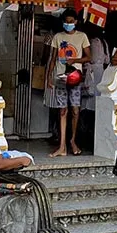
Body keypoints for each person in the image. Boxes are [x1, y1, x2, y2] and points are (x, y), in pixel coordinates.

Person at [48, 9, 90, 157]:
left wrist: (75, 60)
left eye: (71, 22)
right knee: (62, 111)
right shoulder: (58, 37)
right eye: (66, 22)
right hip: (60, 78)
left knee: (75, 110)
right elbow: (53, 58)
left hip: (75, 77)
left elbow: (88, 57)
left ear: (76, 22)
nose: (68, 24)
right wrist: (49, 77)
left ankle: (72, 140)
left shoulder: (82, 36)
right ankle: (62, 146)